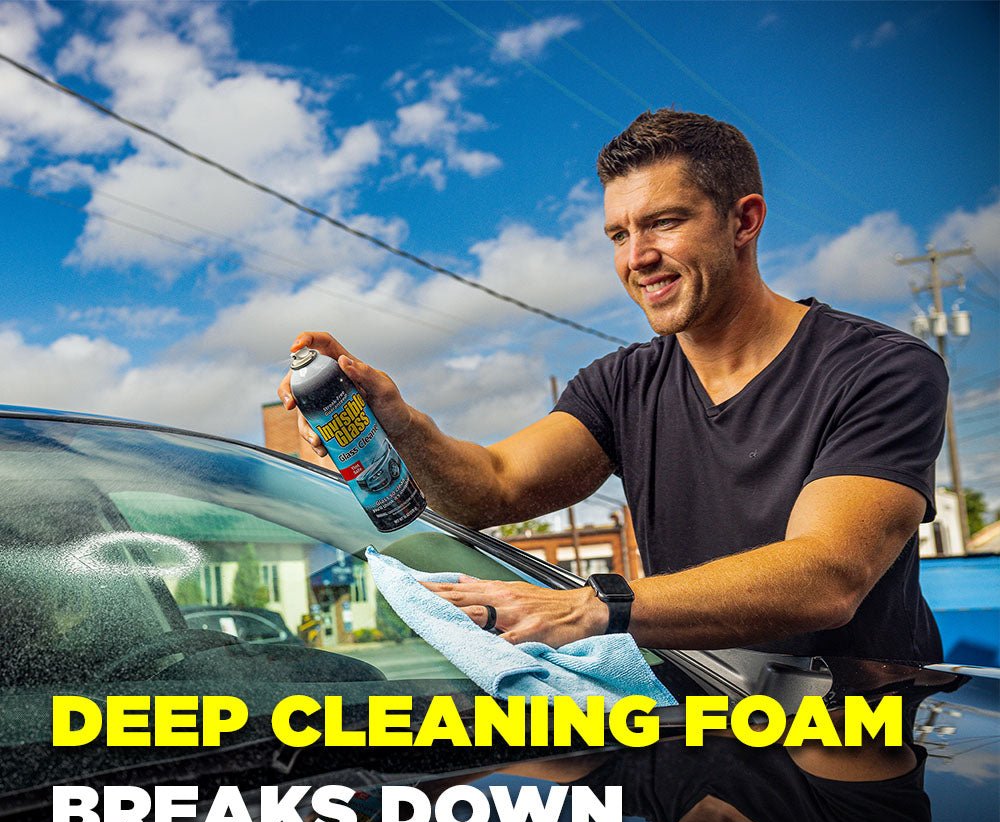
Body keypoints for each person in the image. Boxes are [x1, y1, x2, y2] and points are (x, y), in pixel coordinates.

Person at [277, 109, 947, 662]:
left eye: (664, 222)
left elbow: (826, 575)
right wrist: (396, 420)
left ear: (744, 221)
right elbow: (494, 485)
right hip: (699, 729)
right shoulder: (623, 383)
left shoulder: (880, 369)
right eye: (618, 233)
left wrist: (591, 606)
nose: (636, 258)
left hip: (861, 741)